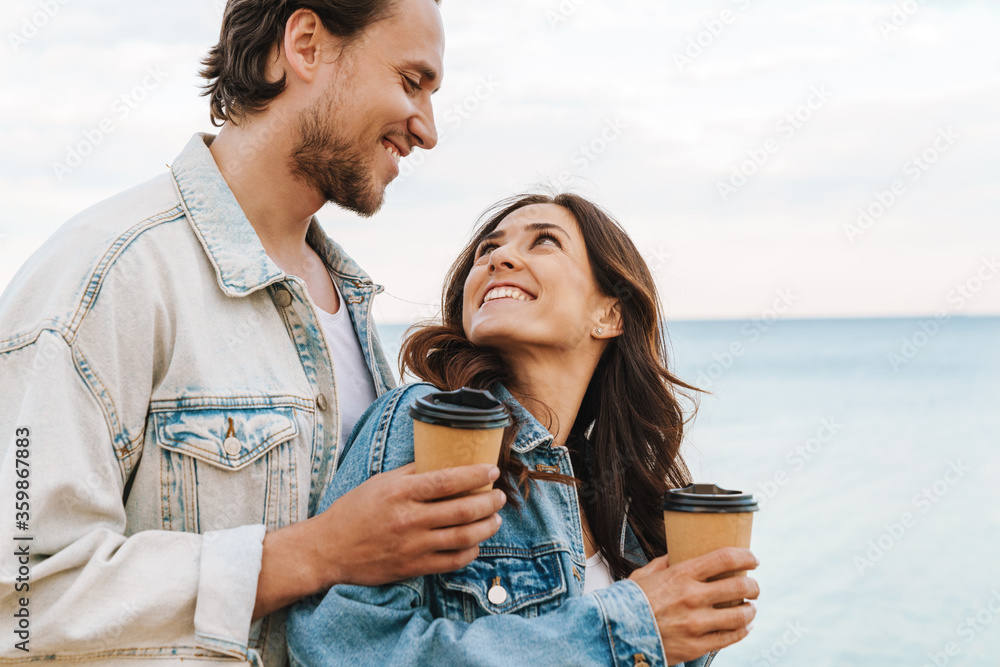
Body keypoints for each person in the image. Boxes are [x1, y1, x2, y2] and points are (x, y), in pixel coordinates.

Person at [0, 1, 507, 664]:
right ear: (305, 45)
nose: (429, 129)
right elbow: (21, 600)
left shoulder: (349, 302)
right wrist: (316, 552)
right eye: (412, 82)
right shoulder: (108, 274)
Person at [286, 193, 760, 666]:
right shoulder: (427, 422)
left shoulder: (625, 505)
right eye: (486, 250)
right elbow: (344, 649)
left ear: (610, 315)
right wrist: (628, 625)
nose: (498, 257)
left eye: (545, 242)